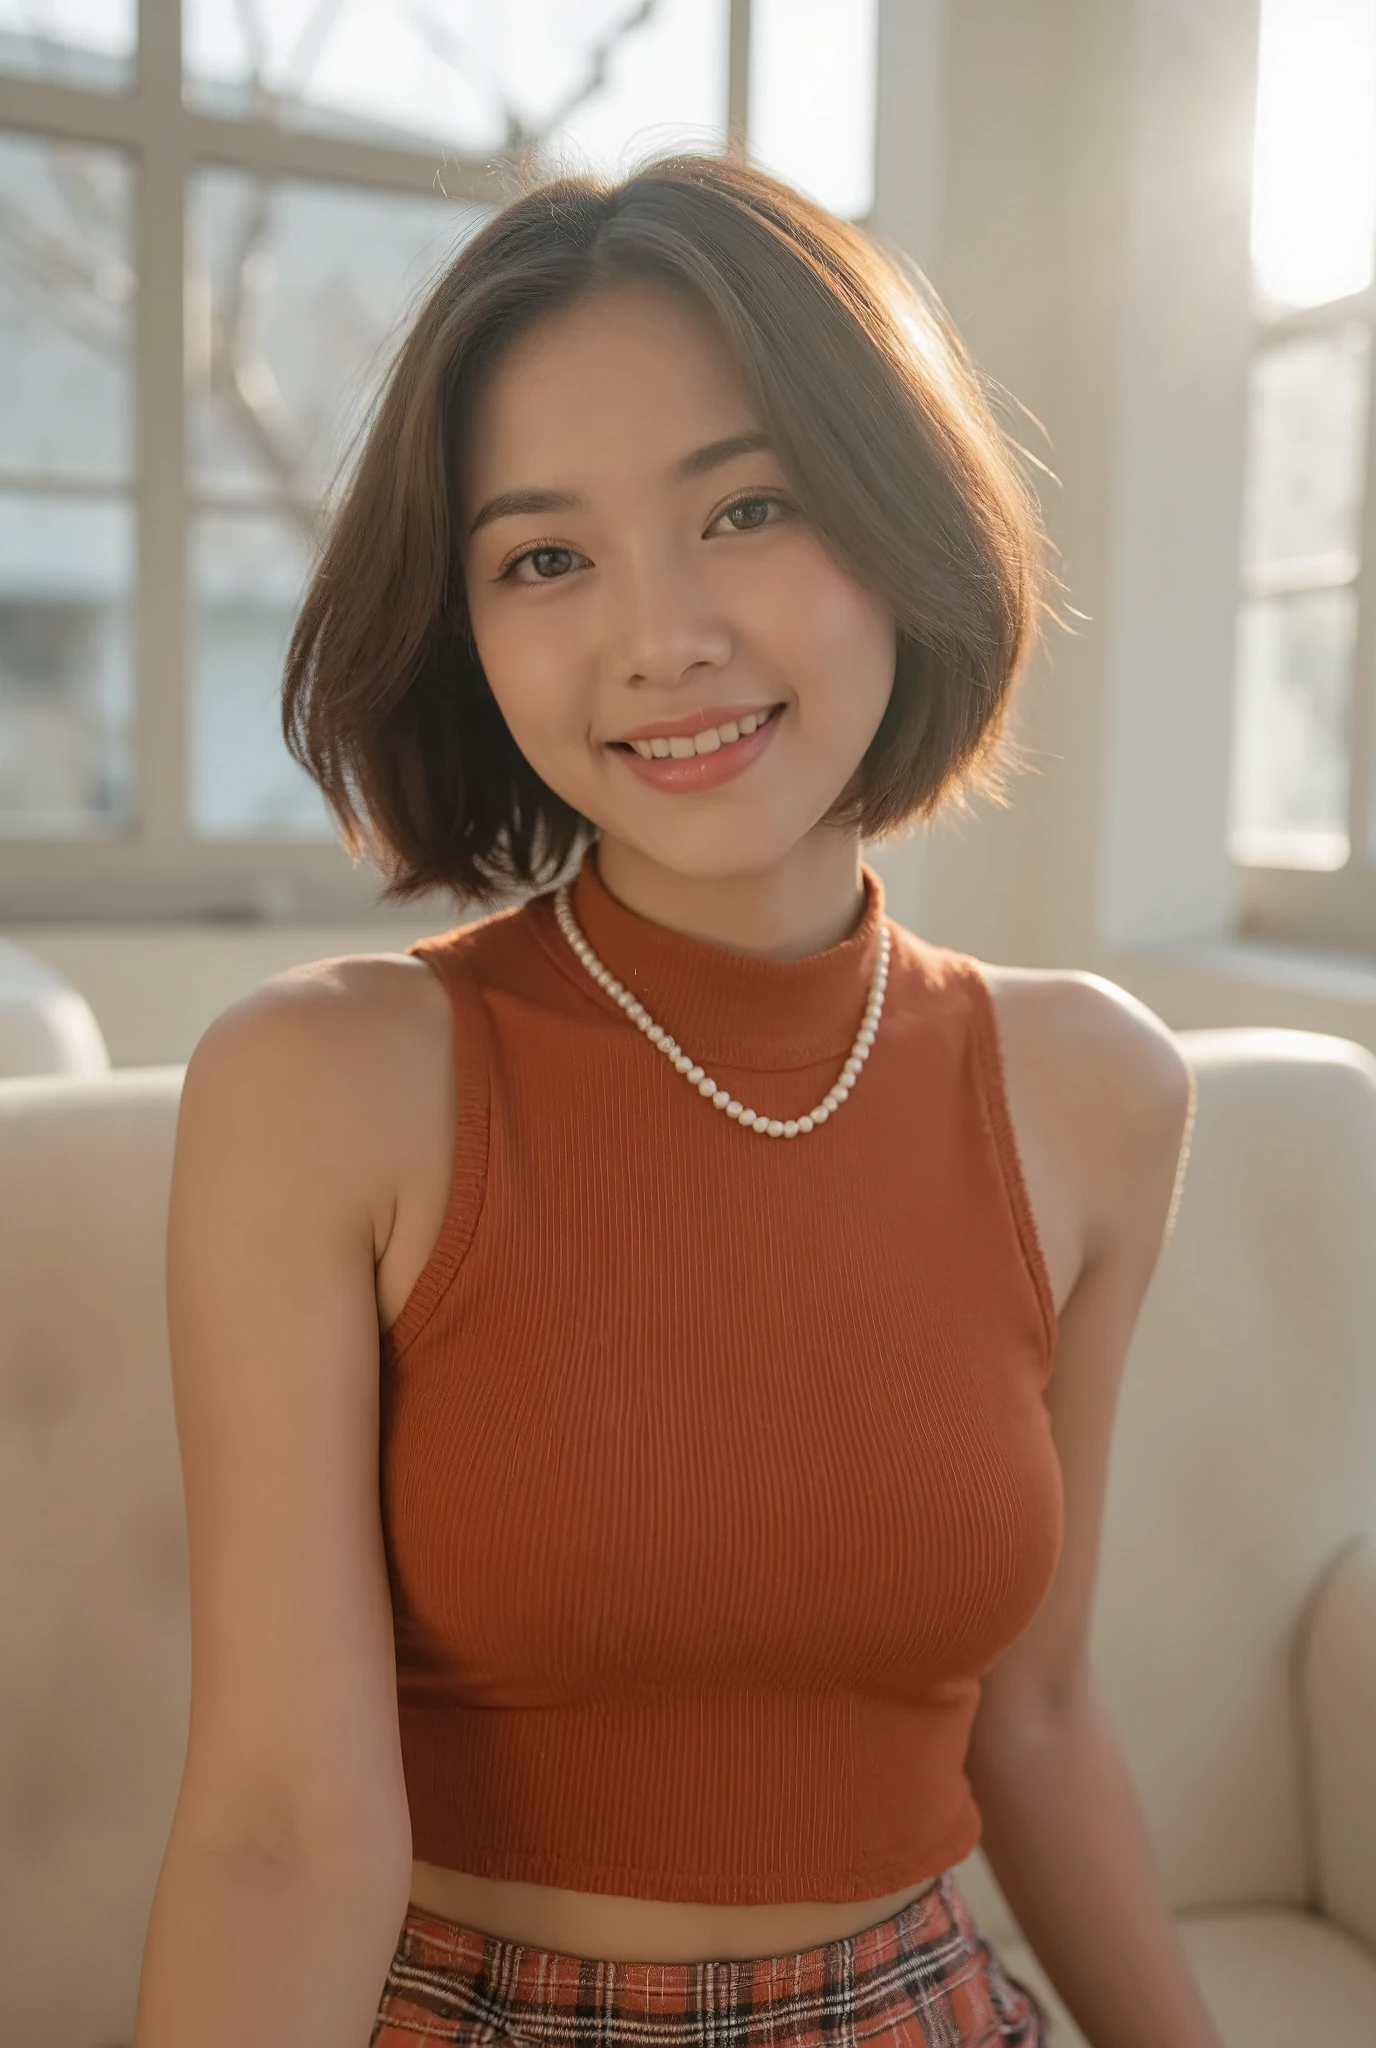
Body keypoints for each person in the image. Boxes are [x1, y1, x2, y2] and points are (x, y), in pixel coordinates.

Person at [131, 153, 1220, 2048]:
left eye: (747, 508)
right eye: (544, 556)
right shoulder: (320, 1088)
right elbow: (282, 1839)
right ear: (464, 625)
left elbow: (1033, 1719)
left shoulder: (1097, 1091)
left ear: (906, 518)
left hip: (925, 2002)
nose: (658, 637)